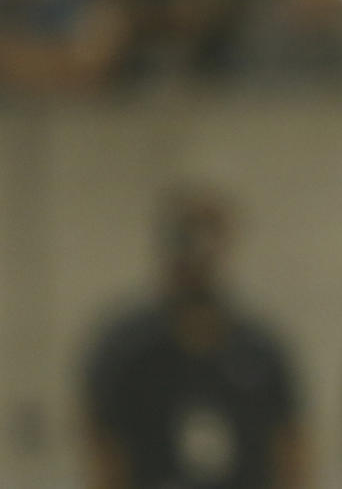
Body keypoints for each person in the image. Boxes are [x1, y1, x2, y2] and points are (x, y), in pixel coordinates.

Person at [82, 185, 305, 489]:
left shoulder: (258, 350)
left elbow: (290, 448)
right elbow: (104, 452)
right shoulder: (126, 349)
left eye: (208, 237)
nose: (198, 253)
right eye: (187, 237)